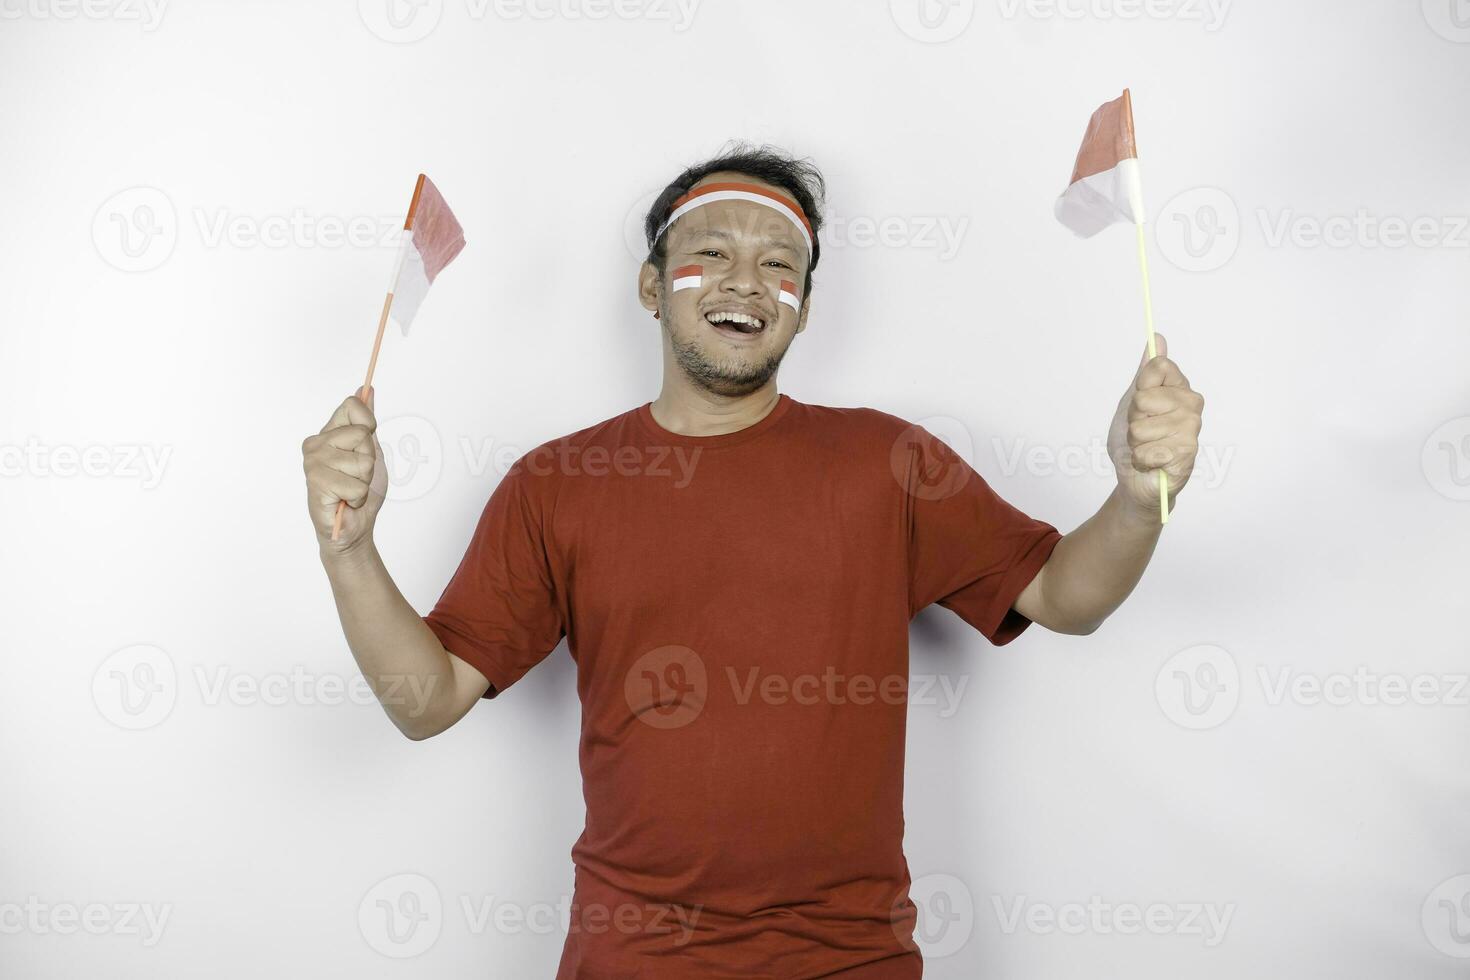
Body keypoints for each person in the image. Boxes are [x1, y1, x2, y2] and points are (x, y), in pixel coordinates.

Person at [301, 143, 1206, 979]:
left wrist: (1135, 498)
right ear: (652, 287)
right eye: (714, 253)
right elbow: (428, 702)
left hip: (852, 957)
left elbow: (1065, 597)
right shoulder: (557, 484)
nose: (749, 281)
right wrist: (349, 551)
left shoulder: (887, 463)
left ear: (803, 310)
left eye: (782, 265)